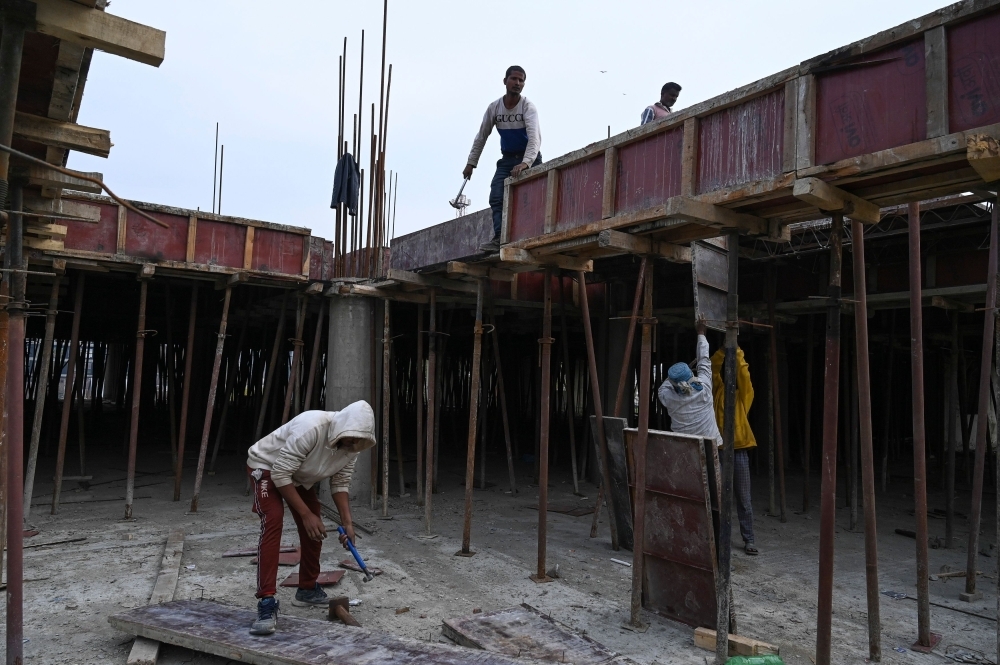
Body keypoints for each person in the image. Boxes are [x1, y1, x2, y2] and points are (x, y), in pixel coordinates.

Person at [246, 400, 376, 635]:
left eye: (359, 440)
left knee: (315, 529)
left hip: (297, 473)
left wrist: (347, 523)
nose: (354, 443)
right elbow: (280, 473)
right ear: (342, 427)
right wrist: (305, 514)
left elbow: (340, 483)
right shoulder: (312, 426)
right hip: (267, 467)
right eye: (352, 437)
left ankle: (306, 588)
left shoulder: (352, 448)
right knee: (273, 520)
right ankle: (266, 601)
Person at [463, 65, 542, 253]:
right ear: (505, 81)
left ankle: (532, 235)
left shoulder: (528, 107)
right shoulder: (494, 108)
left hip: (529, 160)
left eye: (521, 80)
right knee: (497, 196)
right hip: (507, 160)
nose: (517, 83)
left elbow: (535, 139)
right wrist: (471, 163)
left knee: (530, 198)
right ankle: (499, 238)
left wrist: (525, 163)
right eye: (514, 79)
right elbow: (481, 136)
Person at [711, 345, 758, 555]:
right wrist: (722, 351)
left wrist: (737, 351)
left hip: (739, 451)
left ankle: (749, 540)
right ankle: (719, 538)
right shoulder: (717, 392)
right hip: (719, 449)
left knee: (743, 498)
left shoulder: (743, 397)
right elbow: (711, 370)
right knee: (718, 497)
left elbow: (744, 375)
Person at [657, 318, 722, 448]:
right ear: (692, 376)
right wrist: (701, 332)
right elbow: (704, 360)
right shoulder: (704, 388)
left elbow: (664, 387)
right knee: (714, 468)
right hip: (710, 447)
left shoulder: (668, 398)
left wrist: (675, 377)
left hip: (684, 451)